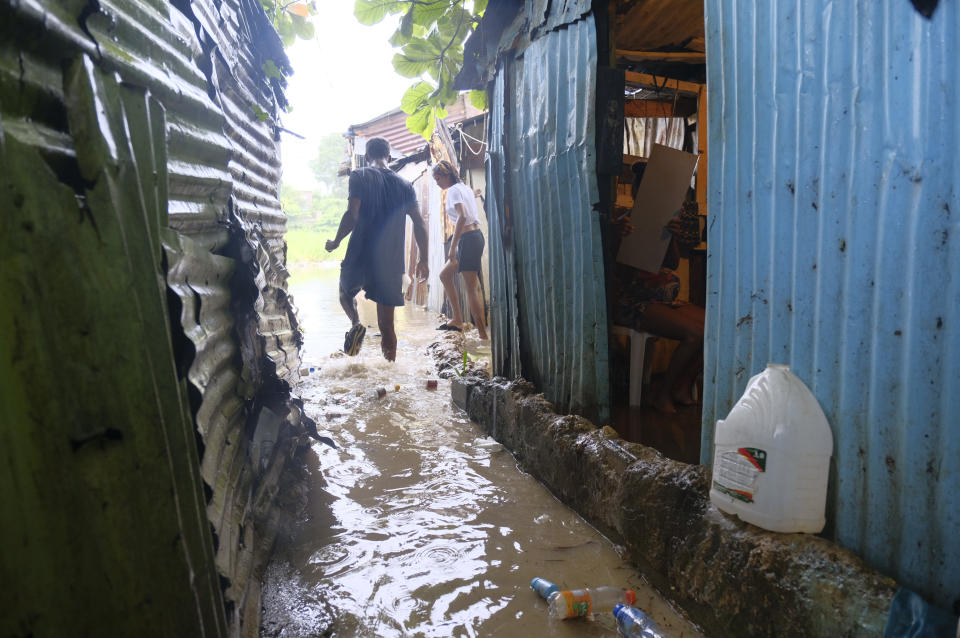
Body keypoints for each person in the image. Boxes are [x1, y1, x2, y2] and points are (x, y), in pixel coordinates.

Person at [325, 137, 428, 361]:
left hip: (360, 253)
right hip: (391, 262)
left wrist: (336, 241)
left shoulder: (359, 175)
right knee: (387, 326)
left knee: (345, 293)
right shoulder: (405, 185)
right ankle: (389, 372)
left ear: (367, 157)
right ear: (389, 157)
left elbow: (352, 214)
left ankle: (356, 323)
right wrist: (424, 260)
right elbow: (419, 223)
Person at [613, 162, 704, 414]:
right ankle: (661, 392)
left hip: (658, 298)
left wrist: (670, 236)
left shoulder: (664, 222)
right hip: (632, 302)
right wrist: (622, 238)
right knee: (695, 333)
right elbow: (623, 274)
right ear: (637, 192)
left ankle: (681, 385)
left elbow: (672, 262)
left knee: (712, 328)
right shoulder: (623, 222)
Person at [431, 160, 488, 340]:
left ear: (446, 176)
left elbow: (462, 216)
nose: (437, 182)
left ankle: (483, 336)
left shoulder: (454, 190)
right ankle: (457, 319)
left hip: (467, 239)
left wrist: (453, 246)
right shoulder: (464, 188)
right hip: (474, 238)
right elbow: (473, 195)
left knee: (472, 288)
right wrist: (476, 194)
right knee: (445, 275)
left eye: (437, 178)